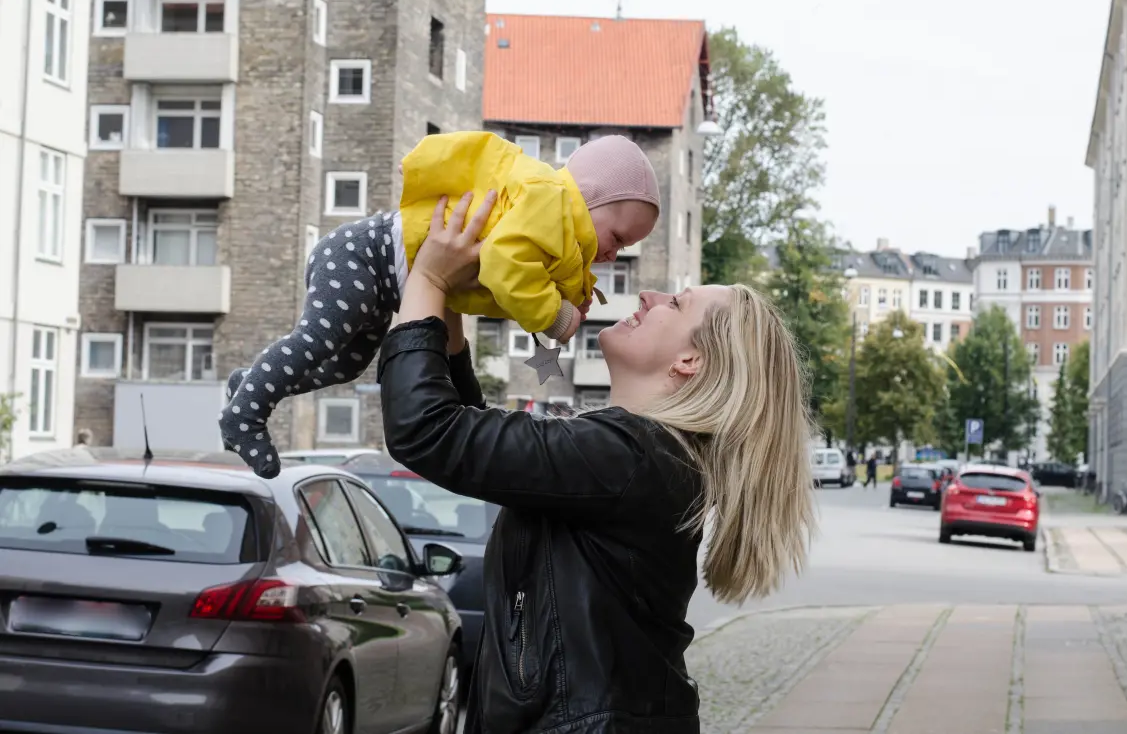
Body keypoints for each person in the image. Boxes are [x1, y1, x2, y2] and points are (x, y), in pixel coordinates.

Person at [376, 191, 818, 733]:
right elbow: (486, 450)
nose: (652, 295)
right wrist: (452, 308)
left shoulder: (631, 455)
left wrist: (429, 280)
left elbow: (426, 431)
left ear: (690, 361)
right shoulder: (643, 456)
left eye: (676, 304)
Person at [220, 133, 661, 478]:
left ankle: (257, 381)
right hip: (366, 255)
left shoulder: (559, 231)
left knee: (345, 366)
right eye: (618, 238)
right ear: (589, 196)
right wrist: (558, 316)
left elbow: (496, 282)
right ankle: (246, 414)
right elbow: (507, 266)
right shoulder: (550, 201)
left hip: (388, 278)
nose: (613, 255)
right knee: (319, 341)